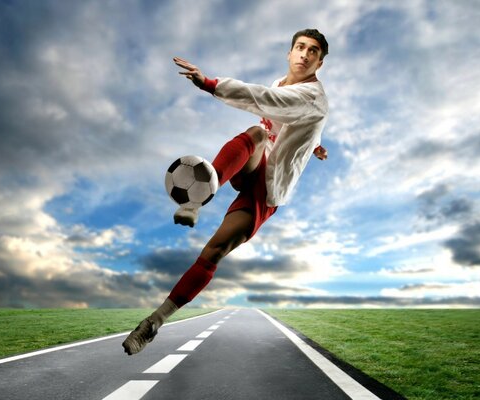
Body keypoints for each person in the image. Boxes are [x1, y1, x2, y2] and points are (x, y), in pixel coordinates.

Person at [123, 29, 329, 355]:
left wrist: (211, 84)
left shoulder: (314, 98)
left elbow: (276, 102)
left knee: (214, 252)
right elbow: (288, 118)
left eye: (313, 51)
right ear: (289, 53)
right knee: (257, 135)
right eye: (300, 47)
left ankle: (153, 323)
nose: (304, 54)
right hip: (254, 160)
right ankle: (196, 198)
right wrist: (316, 145)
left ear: (320, 61)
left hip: (269, 187)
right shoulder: (281, 82)